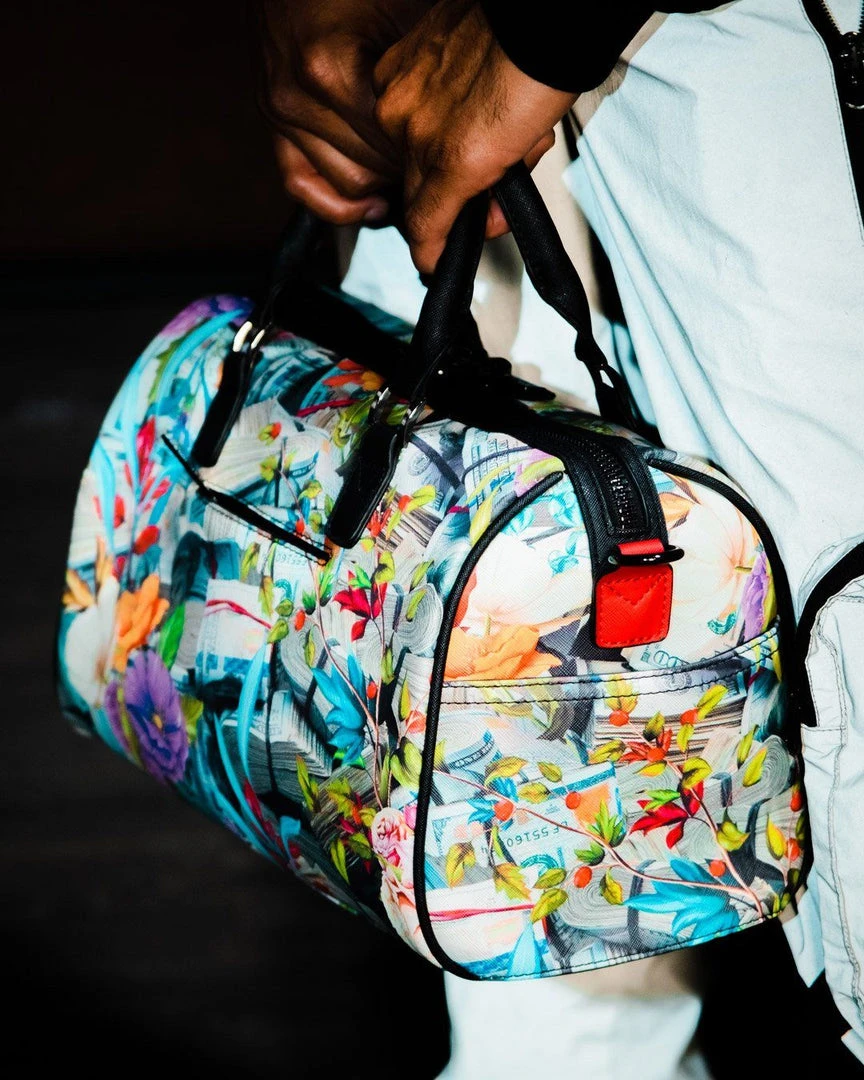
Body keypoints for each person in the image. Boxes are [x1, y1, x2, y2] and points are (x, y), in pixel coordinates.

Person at [255, 0, 864, 1073]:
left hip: (717, 46)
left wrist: (540, 26)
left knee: (824, 653)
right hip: (472, 51)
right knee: (495, 689)